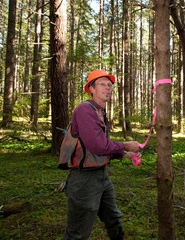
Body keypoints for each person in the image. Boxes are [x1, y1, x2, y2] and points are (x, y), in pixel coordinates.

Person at [63, 70, 140, 240]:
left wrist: (124, 153)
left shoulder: (100, 112)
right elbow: (97, 145)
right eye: (102, 84)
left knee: (113, 219)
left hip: (101, 176)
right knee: (78, 233)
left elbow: (98, 147)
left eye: (110, 85)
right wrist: (126, 144)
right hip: (83, 180)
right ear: (91, 88)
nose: (108, 88)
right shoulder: (84, 110)